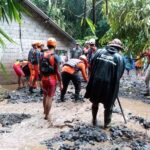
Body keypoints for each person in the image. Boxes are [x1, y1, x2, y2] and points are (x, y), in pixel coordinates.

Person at [85, 39, 125, 128]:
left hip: (96, 82)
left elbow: (91, 65)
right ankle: (106, 125)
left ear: (110, 45)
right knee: (108, 105)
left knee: (95, 102)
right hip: (109, 86)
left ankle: (94, 120)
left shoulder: (98, 52)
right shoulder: (120, 58)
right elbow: (119, 75)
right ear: (118, 48)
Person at [40, 38, 63, 120]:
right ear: (55, 45)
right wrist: (61, 83)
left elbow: (40, 68)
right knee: (50, 97)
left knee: (45, 95)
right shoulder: (55, 56)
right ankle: (47, 115)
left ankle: (44, 111)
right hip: (52, 79)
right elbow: (58, 71)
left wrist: (40, 80)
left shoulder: (42, 54)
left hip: (43, 78)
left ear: (47, 45)